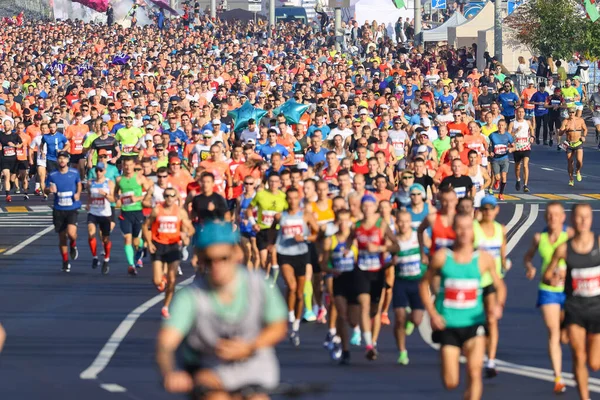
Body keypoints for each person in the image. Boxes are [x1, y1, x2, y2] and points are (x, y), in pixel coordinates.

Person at [156, 222, 287, 400]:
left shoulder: (257, 285)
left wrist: (250, 346)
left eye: (223, 258)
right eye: (209, 260)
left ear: (236, 254)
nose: (216, 266)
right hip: (209, 368)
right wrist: (171, 372)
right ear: (200, 259)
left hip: (255, 366)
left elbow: (278, 325)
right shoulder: (190, 297)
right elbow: (166, 343)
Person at [420, 212, 506, 400]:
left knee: (475, 373)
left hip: (474, 325)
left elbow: (499, 285)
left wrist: (498, 305)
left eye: (468, 228)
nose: (464, 232)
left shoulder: (483, 258)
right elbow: (423, 284)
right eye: (460, 228)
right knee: (451, 382)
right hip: (449, 325)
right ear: (454, 230)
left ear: (473, 231)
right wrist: (433, 313)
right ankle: (445, 360)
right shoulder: (442, 257)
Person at [544, 204, 600, 400]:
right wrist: (553, 278)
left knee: (594, 363)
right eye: (579, 217)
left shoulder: (598, 244)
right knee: (579, 355)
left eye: (586, 217)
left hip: (597, 310)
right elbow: (547, 275)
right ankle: (585, 397)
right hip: (574, 309)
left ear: (591, 220)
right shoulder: (563, 249)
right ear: (572, 220)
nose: (583, 221)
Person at [523, 201, 570, 394]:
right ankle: (558, 377)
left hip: (569, 291)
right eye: (549, 214)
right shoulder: (538, 237)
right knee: (554, 332)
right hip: (547, 289)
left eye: (556, 214)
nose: (552, 218)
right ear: (545, 217)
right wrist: (530, 267)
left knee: (566, 337)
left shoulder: (571, 237)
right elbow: (527, 257)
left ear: (563, 217)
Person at [354, 194, 399, 360]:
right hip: (362, 271)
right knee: (364, 306)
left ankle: (373, 340)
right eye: (364, 206)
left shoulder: (381, 224)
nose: (367, 209)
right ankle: (369, 345)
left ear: (375, 208)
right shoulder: (356, 226)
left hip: (378, 270)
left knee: (375, 310)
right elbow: (348, 241)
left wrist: (380, 249)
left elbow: (396, 245)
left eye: (370, 206)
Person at [275, 188, 319, 347]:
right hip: (284, 253)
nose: (293, 201)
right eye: (290, 198)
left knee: (300, 293)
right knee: (291, 286)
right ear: (287, 199)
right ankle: (291, 316)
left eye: (295, 198)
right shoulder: (281, 216)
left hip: (302, 253)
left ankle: (295, 325)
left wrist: (305, 237)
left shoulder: (305, 215)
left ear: (298, 199)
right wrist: (272, 245)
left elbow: (317, 233)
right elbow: (274, 232)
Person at [144, 187, 195, 319]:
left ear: (175, 198)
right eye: (167, 196)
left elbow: (191, 229)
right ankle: (161, 281)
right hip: (158, 245)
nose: (169, 198)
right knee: (156, 280)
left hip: (173, 246)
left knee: (172, 280)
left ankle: (165, 307)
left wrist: (185, 234)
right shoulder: (157, 210)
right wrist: (149, 243)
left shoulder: (180, 212)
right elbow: (146, 226)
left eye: (172, 196)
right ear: (163, 197)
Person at [473, 195, 508, 378]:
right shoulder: (473, 229)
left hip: (492, 280)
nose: (488, 212)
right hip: (473, 281)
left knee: (492, 319)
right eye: (484, 209)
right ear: (480, 211)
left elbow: (502, 249)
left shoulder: (499, 229)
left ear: (496, 210)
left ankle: (491, 360)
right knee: (475, 321)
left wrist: (504, 261)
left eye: (491, 209)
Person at [392, 210, 425, 365]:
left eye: (406, 221)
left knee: (417, 320)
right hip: (401, 282)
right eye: (400, 221)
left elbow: (430, 251)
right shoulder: (393, 239)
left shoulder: (417, 237)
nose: (403, 224)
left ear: (410, 222)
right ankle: (402, 352)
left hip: (417, 282)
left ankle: (410, 319)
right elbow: (385, 258)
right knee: (399, 319)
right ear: (396, 222)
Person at [45, 151, 82, 272]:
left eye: (64, 158)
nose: (62, 161)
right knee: (62, 237)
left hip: (72, 208)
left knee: (71, 234)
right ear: (57, 160)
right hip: (58, 209)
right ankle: (65, 261)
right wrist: (48, 190)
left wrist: (77, 193)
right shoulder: (53, 175)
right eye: (60, 158)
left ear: (68, 160)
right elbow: (45, 189)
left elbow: (79, 184)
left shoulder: (74, 173)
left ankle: (73, 244)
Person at [115, 157, 152, 275]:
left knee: (136, 242)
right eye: (125, 165)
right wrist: (118, 198)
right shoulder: (119, 179)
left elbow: (151, 192)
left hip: (138, 212)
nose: (128, 167)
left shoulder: (140, 178)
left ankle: (141, 248)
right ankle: (131, 265)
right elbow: (116, 193)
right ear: (122, 166)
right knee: (127, 239)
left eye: (130, 165)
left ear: (133, 165)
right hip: (125, 213)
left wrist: (139, 198)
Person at [86, 161, 115, 275]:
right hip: (93, 212)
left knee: (105, 239)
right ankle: (94, 257)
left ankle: (106, 259)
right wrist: (88, 204)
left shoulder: (109, 183)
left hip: (105, 214)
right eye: (97, 170)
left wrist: (106, 195)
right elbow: (89, 195)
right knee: (91, 233)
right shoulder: (90, 183)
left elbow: (113, 200)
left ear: (105, 172)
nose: (98, 173)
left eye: (101, 170)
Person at [558, 107, 587, 186]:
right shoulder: (565, 121)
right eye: (570, 112)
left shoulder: (580, 120)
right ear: (568, 113)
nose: (571, 114)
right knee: (570, 162)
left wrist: (583, 136)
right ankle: (571, 179)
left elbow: (585, 129)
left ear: (575, 112)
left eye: (573, 112)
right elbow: (560, 134)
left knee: (579, 161)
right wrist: (564, 129)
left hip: (578, 143)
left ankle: (578, 170)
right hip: (569, 144)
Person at [508, 107, 534, 193]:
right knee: (518, 167)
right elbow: (508, 135)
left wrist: (532, 137)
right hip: (516, 146)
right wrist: (515, 131)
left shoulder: (527, 122)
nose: (520, 114)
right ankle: (518, 179)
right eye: (519, 112)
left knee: (525, 165)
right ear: (516, 113)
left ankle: (525, 184)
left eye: (522, 112)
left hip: (526, 145)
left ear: (524, 113)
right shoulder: (512, 123)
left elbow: (531, 129)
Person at [488, 119, 514, 200]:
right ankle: (497, 181)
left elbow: (514, 145)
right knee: (497, 177)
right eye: (499, 125)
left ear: (505, 126)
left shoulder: (508, 135)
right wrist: (490, 152)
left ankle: (501, 193)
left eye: (502, 125)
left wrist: (511, 149)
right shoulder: (492, 135)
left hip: (504, 158)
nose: (500, 127)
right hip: (495, 159)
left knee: (504, 176)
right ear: (497, 126)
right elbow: (488, 145)